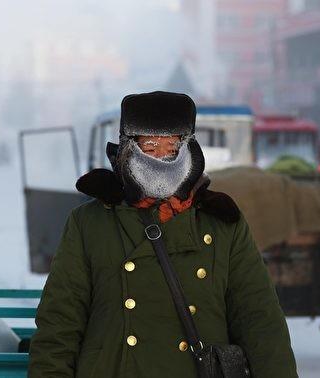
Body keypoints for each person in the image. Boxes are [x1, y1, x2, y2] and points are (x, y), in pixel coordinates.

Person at [28, 91, 297, 377]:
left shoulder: (222, 223)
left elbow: (260, 321)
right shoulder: (89, 223)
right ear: (128, 148)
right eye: (150, 145)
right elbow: (60, 325)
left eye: (171, 147)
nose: (161, 158)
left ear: (188, 149)